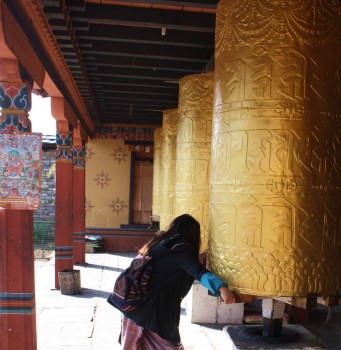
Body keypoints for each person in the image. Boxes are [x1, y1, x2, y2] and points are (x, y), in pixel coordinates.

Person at [119, 214, 236, 349]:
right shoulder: (182, 249)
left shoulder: (161, 243)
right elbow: (199, 272)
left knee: (134, 346)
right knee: (169, 346)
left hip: (133, 305)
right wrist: (222, 288)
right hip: (153, 310)